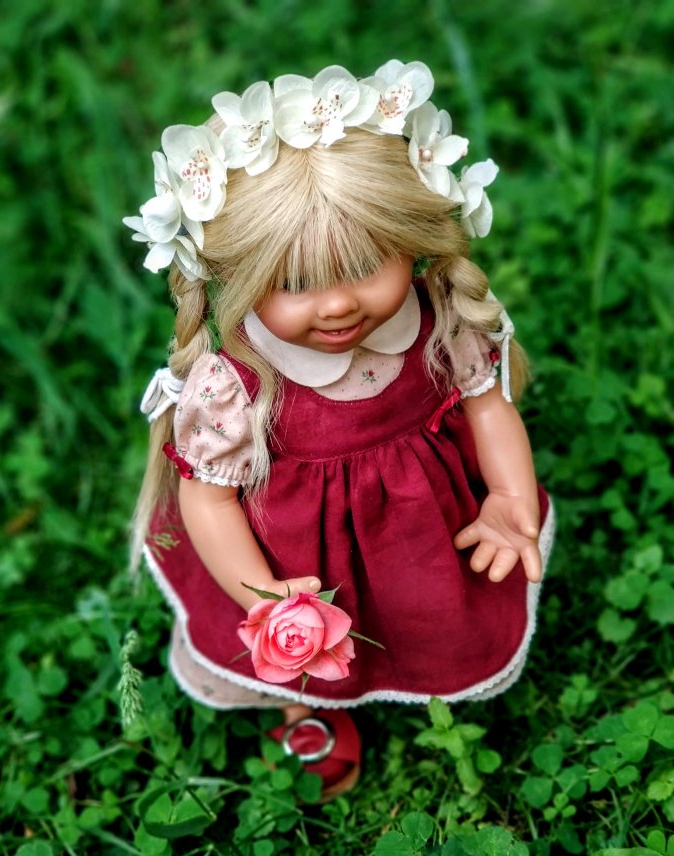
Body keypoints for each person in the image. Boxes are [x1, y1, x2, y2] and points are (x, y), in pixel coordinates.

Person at [125, 61, 554, 798]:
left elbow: (487, 406)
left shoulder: (438, 317)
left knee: (421, 605)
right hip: (297, 553)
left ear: (411, 238)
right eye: (293, 283)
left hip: (421, 526)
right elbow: (209, 499)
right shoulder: (237, 383)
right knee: (305, 646)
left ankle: (423, 660)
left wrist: (510, 495)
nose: (336, 306)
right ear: (235, 274)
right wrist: (261, 596)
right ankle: (304, 699)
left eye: (366, 265)